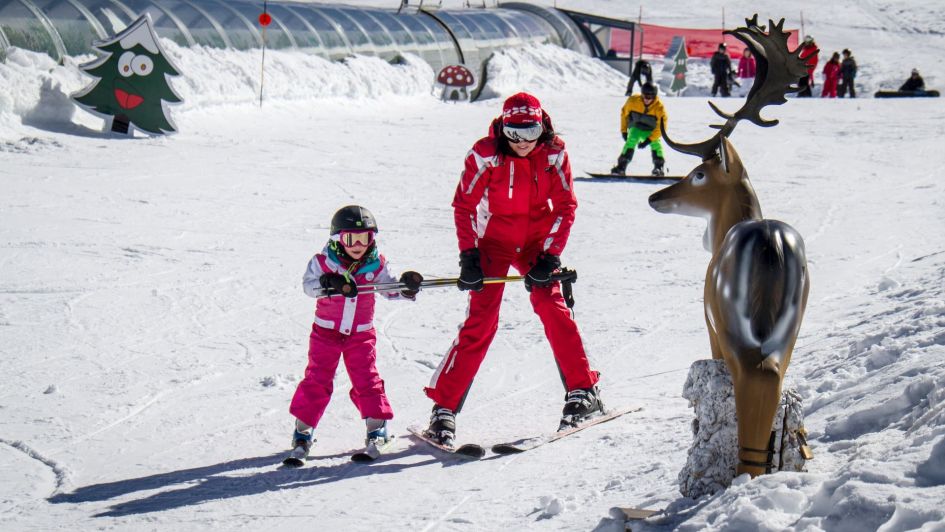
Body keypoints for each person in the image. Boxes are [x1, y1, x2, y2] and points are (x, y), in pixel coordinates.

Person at [424, 92, 602, 446]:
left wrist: (550, 256)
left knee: (552, 307)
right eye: (515, 134)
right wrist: (469, 256)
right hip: (495, 239)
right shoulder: (485, 154)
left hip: (537, 239)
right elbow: (464, 206)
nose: (523, 142)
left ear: (543, 125)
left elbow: (566, 205)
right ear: (503, 129)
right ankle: (443, 409)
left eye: (531, 132)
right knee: (481, 317)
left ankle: (584, 391)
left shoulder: (554, 153)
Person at [288, 205, 424, 458]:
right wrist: (328, 282)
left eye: (365, 238)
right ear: (338, 239)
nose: (358, 245)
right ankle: (303, 431)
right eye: (351, 238)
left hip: (360, 335)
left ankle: (377, 428)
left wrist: (406, 287)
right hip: (325, 333)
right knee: (317, 379)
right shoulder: (323, 262)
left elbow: (389, 289)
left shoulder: (375, 264)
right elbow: (309, 287)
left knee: (366, 379)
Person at [611, 83, 667, 176]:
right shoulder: (633, 101)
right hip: (636, 127)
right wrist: (624, 131)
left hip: (651, 131)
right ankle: (621, 167)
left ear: (654, 97)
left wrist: (649, 140)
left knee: (656, 145)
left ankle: (658, 167)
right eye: (645, 96)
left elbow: (661, 128)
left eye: (650, 97)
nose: (646, 100)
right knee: (631, 141)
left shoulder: (659, 108)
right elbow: (624, 114)